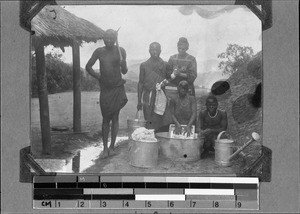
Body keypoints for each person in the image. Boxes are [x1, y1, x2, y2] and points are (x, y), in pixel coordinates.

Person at [85, 29, 128, 159]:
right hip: (106, 89)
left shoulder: (121, 51)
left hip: (117, 87)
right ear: (103, 38)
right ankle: (104, 148)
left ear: (115, 39)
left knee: (115, 117)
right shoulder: (99, 51)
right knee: (105, 119)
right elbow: (88, 66)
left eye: (111, 38)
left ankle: (112, 147)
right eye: (106, 38)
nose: (109, 40)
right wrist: (98, 76)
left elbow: (124, 71)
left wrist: (124, 64)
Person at [163, 37, 197, 128]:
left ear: (187, 47)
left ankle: (188, 130)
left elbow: (192, 76)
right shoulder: (172, 58)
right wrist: (173, 73)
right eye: (179, 45)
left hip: (187, 90)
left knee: (187, 111)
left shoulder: (191, 59)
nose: (180, 47)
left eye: (183, 45)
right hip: (173, 90)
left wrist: (180, 74)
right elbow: (167, 74)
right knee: (172, 112)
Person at [137, 42, 168, 131]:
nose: (155, 51)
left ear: (160, 51)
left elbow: (168, 79)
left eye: (157, 49)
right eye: (152, 49)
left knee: (160, 120)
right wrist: (139, 101)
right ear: (149, 51)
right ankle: (150, 141)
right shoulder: (144, 65)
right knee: (149, 120)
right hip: (148, 96)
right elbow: (141, 83)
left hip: (161, 96)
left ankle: (159, 141)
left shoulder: (165, 65)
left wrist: (163, 83)